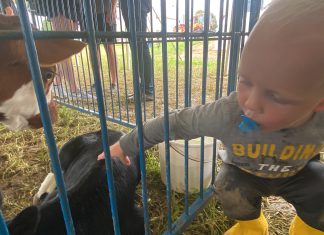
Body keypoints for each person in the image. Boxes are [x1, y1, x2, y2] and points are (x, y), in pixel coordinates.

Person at [98, 0, 324, 234]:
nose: (251, 103)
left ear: (319, 101)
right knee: (226, 184)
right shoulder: (228, 113)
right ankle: (252, 226)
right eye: (245, 80)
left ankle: (308, 228)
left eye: (276, 95)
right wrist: (125, 145)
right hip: (245, 175)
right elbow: (174, 122)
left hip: (298, 174)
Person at [112, 0, 153, 101]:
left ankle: (147, 90)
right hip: (131, 5)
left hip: (136, 4)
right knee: (137, 45)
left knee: (140, 44)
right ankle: (144, 89)